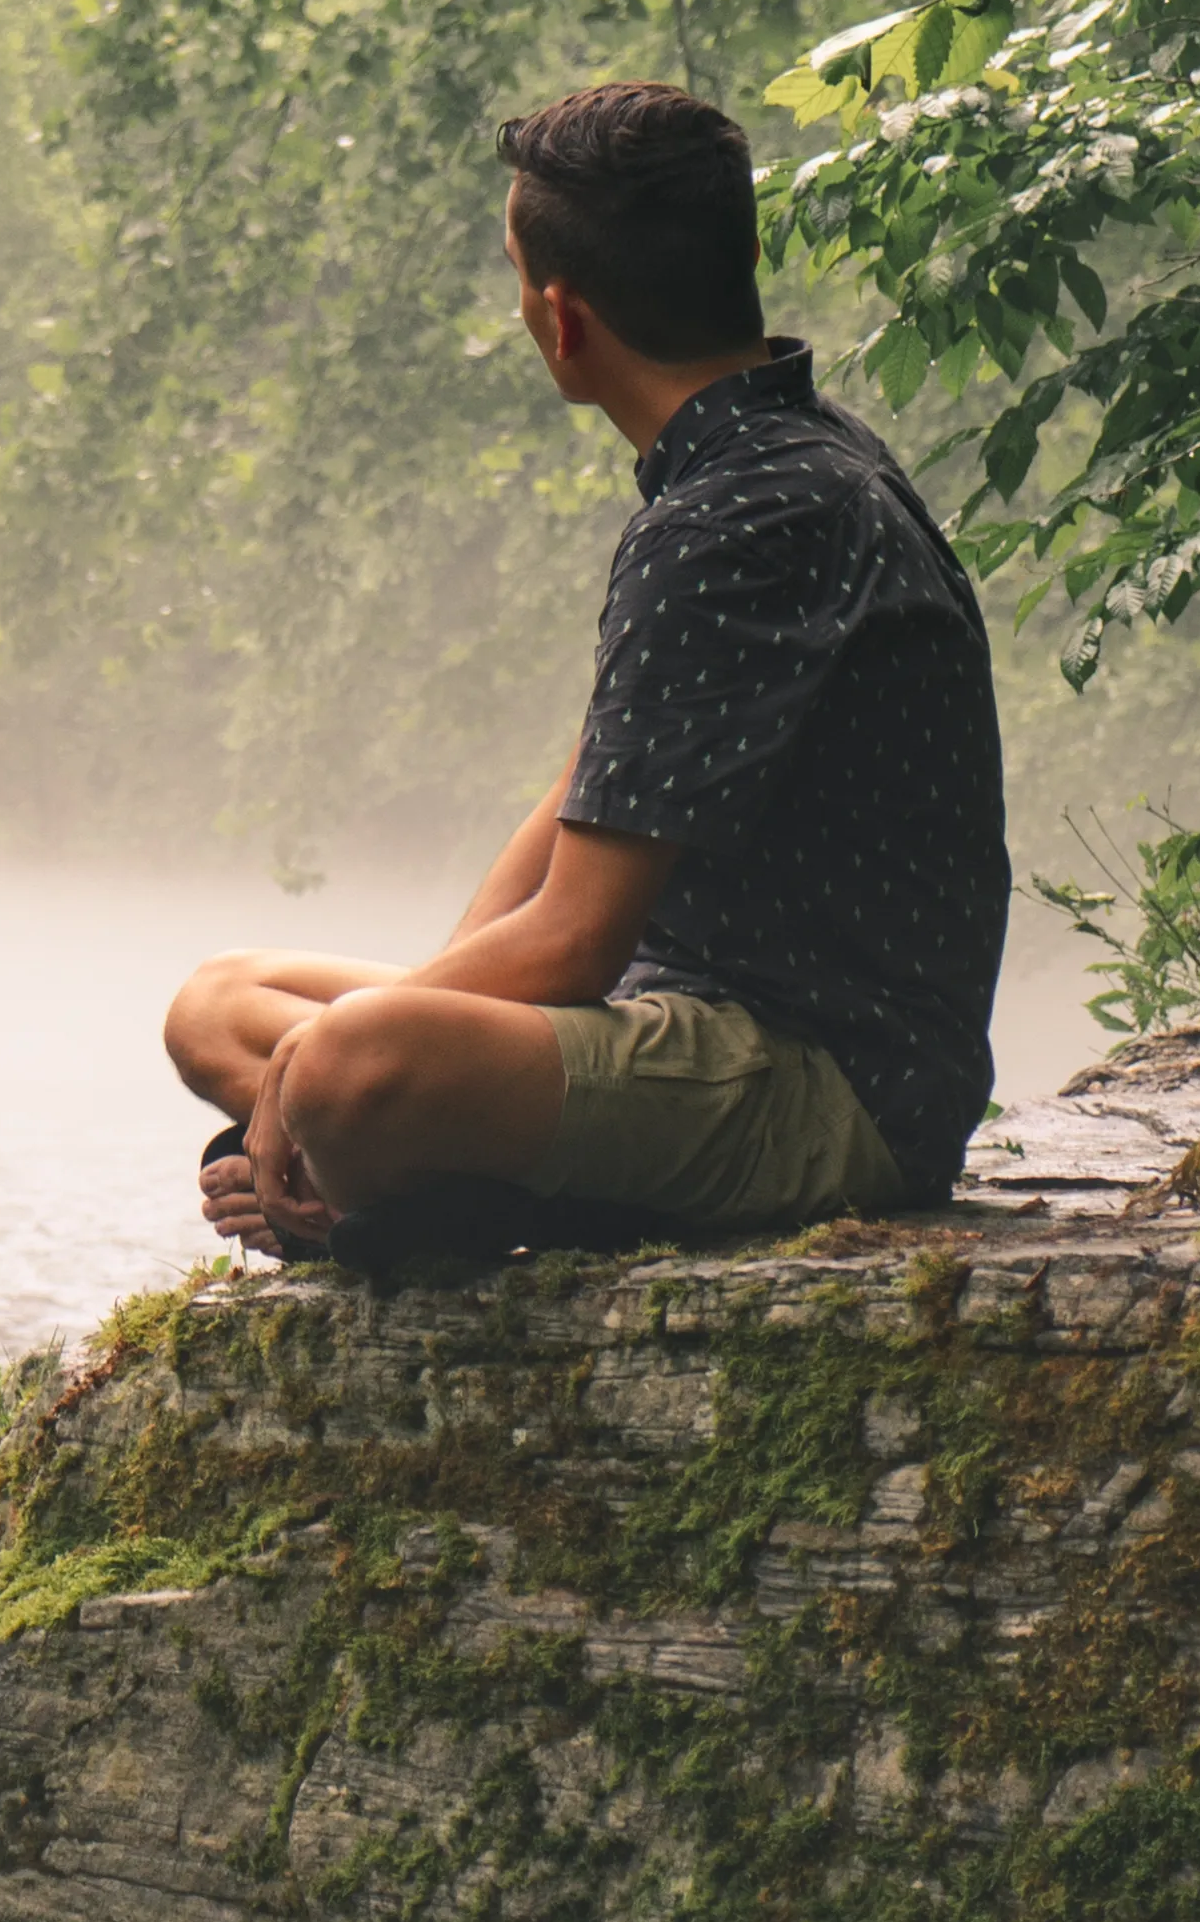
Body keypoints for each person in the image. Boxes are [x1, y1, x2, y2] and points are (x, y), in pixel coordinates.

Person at [165, 81, 1007, 1262]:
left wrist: (348, 1058)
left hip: (830, 1087)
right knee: (219, 1002)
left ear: (560, 318)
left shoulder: (736, 518)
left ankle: (412, 1200)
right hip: (688, 1026)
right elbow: (580, 794)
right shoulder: (777, 452)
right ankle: (402, 1184)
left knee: (347, 1063)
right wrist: (416, 1015)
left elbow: (574, 942)